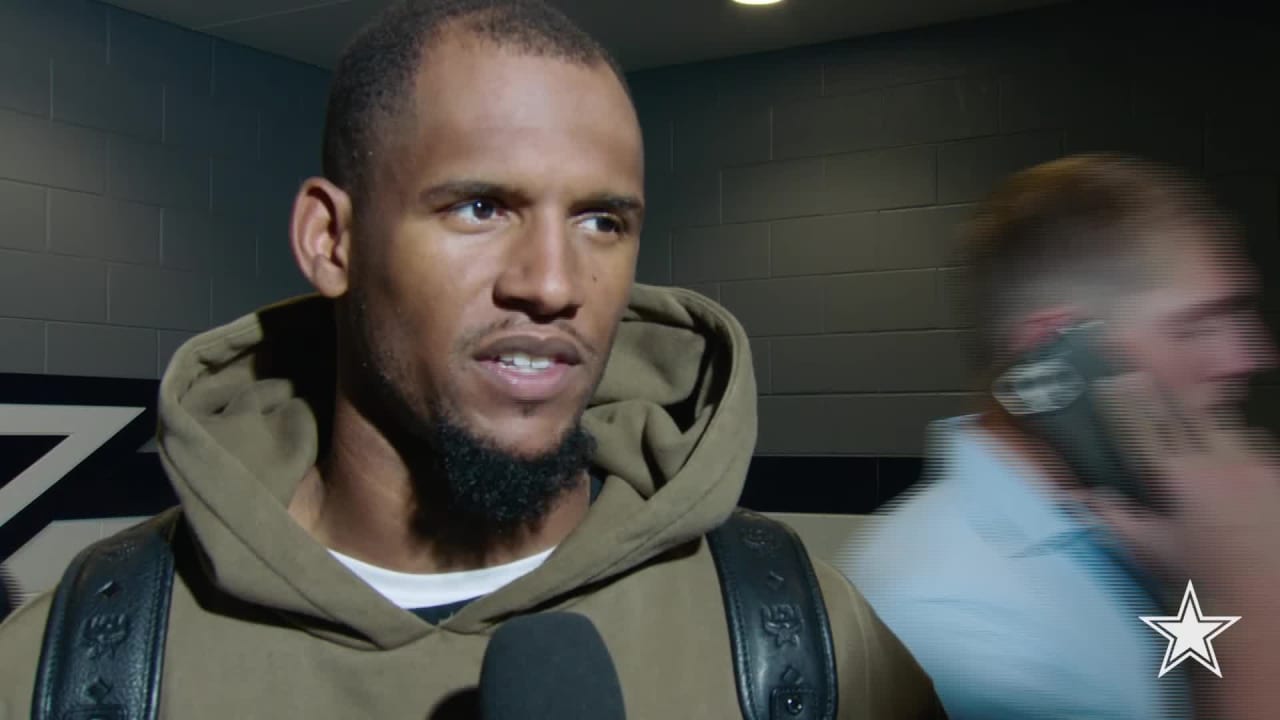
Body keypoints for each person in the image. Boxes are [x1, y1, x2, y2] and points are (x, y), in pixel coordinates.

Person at [0, 1, 946, 717]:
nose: (551, 282)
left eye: (601, 220)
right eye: (480, 207)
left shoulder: (803, 637)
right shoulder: (84, 657)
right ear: (332, 241)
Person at [839, 153, 1280, 719]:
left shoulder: (1169, 526)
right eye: (1199, 326)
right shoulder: (939, 611)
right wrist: (1253, 596)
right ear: (1058, 360)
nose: (1250, 356)